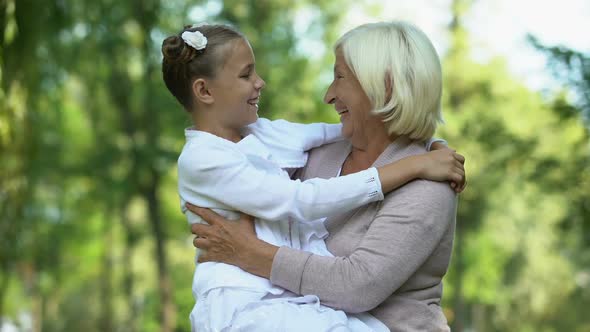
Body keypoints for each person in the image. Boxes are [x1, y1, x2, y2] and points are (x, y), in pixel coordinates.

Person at [188, 21, 459, 331]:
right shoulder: (322, 155)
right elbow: (236, 152)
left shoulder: (428, 186)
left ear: (383, 85)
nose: (328, 96)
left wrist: (250, 253)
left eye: (339, 77)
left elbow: (356, 286)